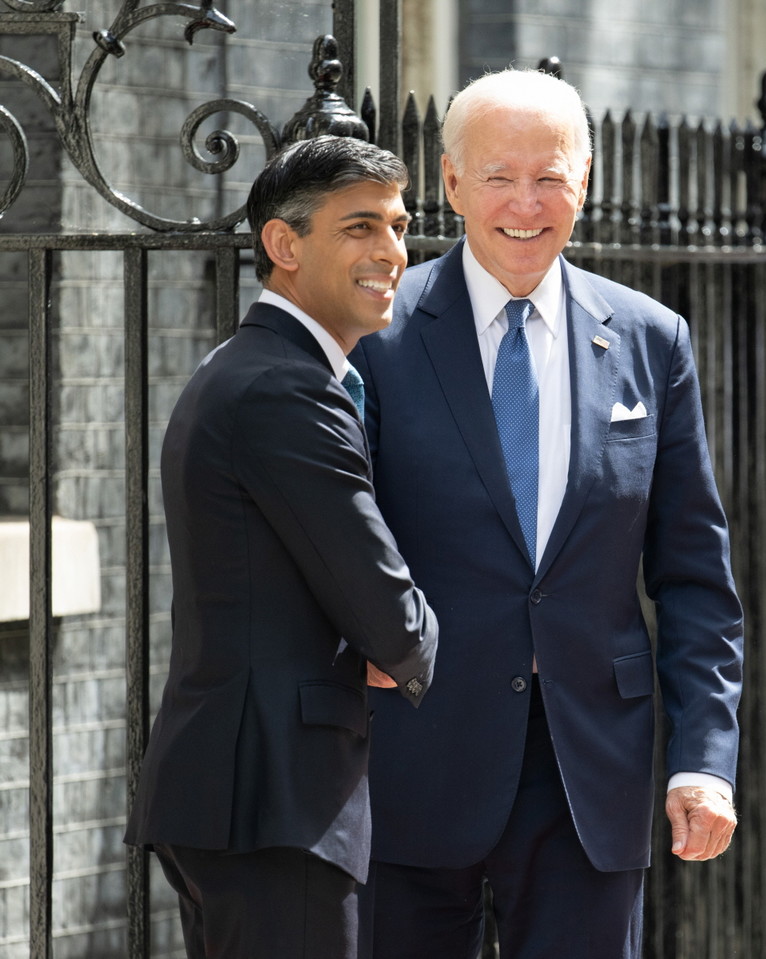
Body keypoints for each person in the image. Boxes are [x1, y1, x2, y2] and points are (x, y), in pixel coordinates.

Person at [349, 68, 744, 959]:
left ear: (588, 180)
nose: (526, 204)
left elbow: (694, 578)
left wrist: (702, 759)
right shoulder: (375, 335)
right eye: (498, 177)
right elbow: (327, 539)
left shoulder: (652, 339)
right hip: (412, 756)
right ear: (450, 183)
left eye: (550, 176)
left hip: (586, 771)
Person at [124, 135, 439, 959]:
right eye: (360, 227)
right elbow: (393, 620)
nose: (392, 252)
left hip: (248, 797)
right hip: (272, 803)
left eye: (399, 227)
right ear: (283, 245)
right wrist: (404, 639)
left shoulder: (260, 368)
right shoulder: (287, 388)